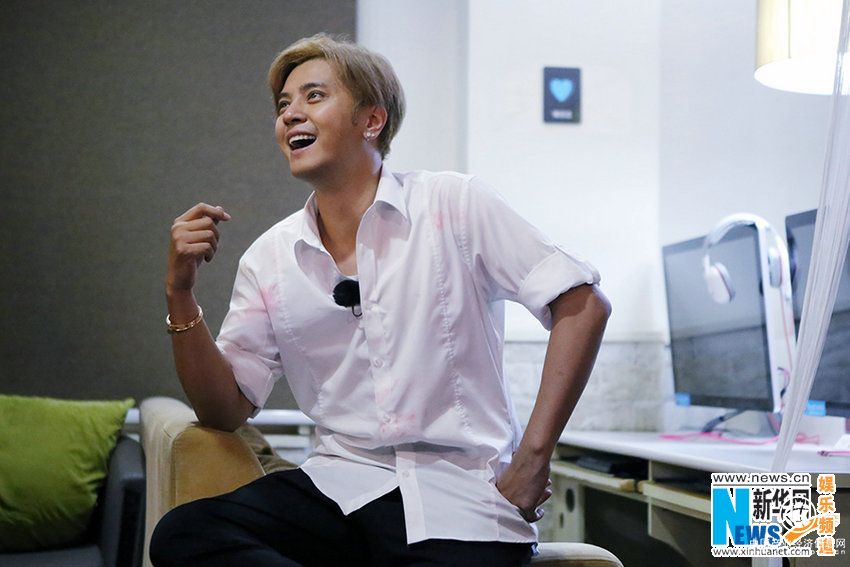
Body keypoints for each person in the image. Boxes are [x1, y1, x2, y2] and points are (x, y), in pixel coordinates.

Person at [150, 33, 611, 567]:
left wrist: (533, 458)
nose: (291, 114)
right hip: (338, 489)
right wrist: (180, 291)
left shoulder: (453, 204)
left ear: (372, 120)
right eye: (283, 105)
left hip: (463, 501)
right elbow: (223, 409)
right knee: (184, 534)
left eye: (314, 96)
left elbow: (583, 304)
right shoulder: (269, 258)